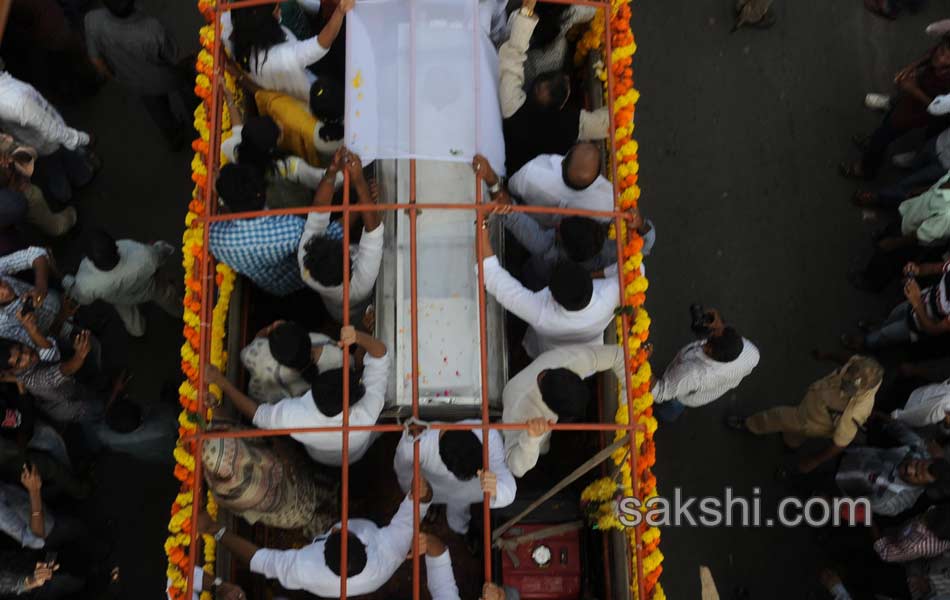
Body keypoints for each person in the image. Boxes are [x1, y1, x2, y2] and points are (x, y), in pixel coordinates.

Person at [197, 476, 433, 597]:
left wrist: (214, 529)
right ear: (363, 546)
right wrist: (423, 490)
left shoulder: (306, 566)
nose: (339, 529)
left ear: (322, 552)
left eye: (336, 535)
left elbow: (262, 561)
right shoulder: (391, 548)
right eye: (344, 533)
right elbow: (419, 506)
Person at [208, 325, 389, 466]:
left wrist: (221, 382)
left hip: (320, 456)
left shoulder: (296, 415)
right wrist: (358, 336)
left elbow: (257, 414)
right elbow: (380, 355)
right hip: (355, 452)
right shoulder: (367, 411)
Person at [479, 219, 618, 358]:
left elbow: (498, 281)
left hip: (549, 355)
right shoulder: (611, 293)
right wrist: (601, 273)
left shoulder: (543, 313)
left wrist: (482, 225)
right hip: (586, 359)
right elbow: (634, 269)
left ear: (553, 297)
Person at [498, 0, 607, 174]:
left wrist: (526, 13)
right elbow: (606, 124)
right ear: (563, 104)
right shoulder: (567, 125)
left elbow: (512, 57)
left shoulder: (512, 107)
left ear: (535, 87)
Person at [731, 355, 882, 473]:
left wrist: (815, 461)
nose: (844, 385)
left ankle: (750, 425)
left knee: (777, 416)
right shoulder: (865, 368)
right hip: (813, 406)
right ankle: (790, 444)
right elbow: (849, 359)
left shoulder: (855, 412)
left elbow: (840, 444)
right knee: (795, 433)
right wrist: (827, 355)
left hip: (810, 420)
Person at [502, 344, 626, 478]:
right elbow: (516, 468)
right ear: (549, 407)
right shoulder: (518, 407)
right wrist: (531, 438)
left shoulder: (572, 361)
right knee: (546, 455)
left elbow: (618, 355)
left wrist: (626, 403)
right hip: (538, 447)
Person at [84, 0, 194, 150]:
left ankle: (175, 138)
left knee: (158, 111)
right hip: (166, 76)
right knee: (188, 85)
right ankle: (198, 116)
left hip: (134, 80)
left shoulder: (92, 20)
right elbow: (174, 57)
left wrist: (115, 77)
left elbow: (96, 60)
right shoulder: (153, 29)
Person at [841, 36, 950, 180]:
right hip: (908, 100)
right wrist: (911, 68)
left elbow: (938, 109)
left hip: (917, 113)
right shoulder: (938, 58)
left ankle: (866, 169)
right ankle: (872, 143)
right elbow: (930, 55)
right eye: (941, 50)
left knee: (884, 135)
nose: (940, 58)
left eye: (947, 58)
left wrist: (913, 89)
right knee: (888, 121)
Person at [202, 425, 337, 536]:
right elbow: (278, 463)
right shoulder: (251, 487)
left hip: (298, 500)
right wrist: (284, 456)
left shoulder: (223, 485)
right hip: (297, 503)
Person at [219, 87, 344, 206]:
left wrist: (229, 98)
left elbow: (237, 130)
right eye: (278, 132)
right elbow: (321, 180)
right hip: (296, 204)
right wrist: (346, 172)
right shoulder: (288, 167)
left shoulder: (237, 151)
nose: (280, 124)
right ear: (272, 148)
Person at [298, 150, 383, 323]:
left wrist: (332, 171)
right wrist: (359, 182)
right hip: (355, 315)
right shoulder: (359, 286)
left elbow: (318, 211)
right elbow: (373, 232)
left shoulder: (306, 260)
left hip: (333, 307)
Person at [496, 200, 655, 291]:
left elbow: (519, 223)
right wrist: (640, 225)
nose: (557, 226)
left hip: (536, 278)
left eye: (559, 231)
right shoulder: (611, 250)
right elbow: (646, 244)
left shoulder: (549, 249)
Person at [393, 421, 516, 534]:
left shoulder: (489, 436)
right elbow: (404, 473)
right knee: (443, 501)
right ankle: (433, 505)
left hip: (468, 493)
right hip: (434, 485)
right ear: (441, 456)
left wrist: (497, 490)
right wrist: (423, 496)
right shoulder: (415, 444)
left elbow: (508, 486)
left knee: (458, 516)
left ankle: (462, 530)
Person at [0, 65, 99, 205]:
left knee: (53, 170)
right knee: (63, 162)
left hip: (31, 141)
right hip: (48, 142)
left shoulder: (7, 93)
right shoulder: (16, 101)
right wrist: (85, 139)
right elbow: (53, 131)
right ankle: (78, 182)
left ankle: (64, 194)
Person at [208, 163, 307, 296]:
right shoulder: (292, 228)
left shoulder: (216, 238)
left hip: (271, 287)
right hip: (299, 276)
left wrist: (220, 194)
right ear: (264, 191)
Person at [225, 0, 352, 103]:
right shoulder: (280, 57)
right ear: (265, 23)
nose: (280, 11)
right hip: (311, 92)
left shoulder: (240, 31)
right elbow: (320, 44)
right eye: (276, 9)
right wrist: (340, 11)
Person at [62, 230, 180, 337]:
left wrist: (64, 279)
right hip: (150, 289)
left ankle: (138, 331)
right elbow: (161, 254)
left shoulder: (86, 284)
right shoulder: (143, 254)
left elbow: (83, 299)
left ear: (91, 259)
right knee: (169, 298)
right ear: (116, 246)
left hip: (121, 300)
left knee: (136, 328)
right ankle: (182, 312)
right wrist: (155, 246)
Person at [226, 61, 342, 167]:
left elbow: (265, 98)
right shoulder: (340, 133)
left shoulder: (313, 133)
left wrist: (240, 77)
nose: (280, 124)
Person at [850, 173, 950, 292]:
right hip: (908, 217)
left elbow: (922, 235)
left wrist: (894, 243)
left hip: (908, 239)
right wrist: (920, 191)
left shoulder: (947, 214)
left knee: (887, 260)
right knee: (889, 234)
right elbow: (937, 185)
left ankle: (870, 282)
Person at [835, 419, 950, 516]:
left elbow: (857, 503)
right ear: (927, 459)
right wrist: (877, 418)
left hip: (838, 483)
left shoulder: (892, 502)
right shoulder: (919, 450)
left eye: (916, 475)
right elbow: (897, 427)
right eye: (917, 464)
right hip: (852, 452)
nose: (910, 468)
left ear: (923, 486)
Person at [651, 326, 760, 423]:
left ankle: (661, 417)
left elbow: (661, 393)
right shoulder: (750, 351)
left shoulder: (692, 374)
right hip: (703, 389)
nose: (714, 329)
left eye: (713, 334)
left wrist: (642, 368)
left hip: (682, 395)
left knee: (670, 406)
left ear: (709, 349)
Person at [844, 259, 950, 350]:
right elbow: (935, 268)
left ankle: (865, 343)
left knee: (886, 334)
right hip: (915, 301)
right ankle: (878, 326)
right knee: (893, 315)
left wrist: (917, 303)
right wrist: (917, 270)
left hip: (914, 325)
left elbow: (933, 330)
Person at [506, 144, 614, 227]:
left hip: (528, 222)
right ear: (595, 179)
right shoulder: (607, 203)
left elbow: (511, 188)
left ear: (563, 161)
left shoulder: (532, 171)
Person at [240, 320, 343, 404]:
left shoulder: (261, 352)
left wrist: (270, 328)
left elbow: (257, 339)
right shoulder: (331, 352)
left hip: (255, 398)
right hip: (272, 407)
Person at [0, 134, 76, 237]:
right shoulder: (22, 197)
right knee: (55, 226)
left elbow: (27, 150)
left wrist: (16, 159)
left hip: (20, 188)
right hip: (19, 194)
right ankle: (67, 219)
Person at [873, 504, 950, 562]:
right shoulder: (939, 518)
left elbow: (885, 553)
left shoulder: (917, 545)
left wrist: (869, 521)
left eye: (933, 510)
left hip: (893, 544)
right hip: (900, 531)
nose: (932, 507)